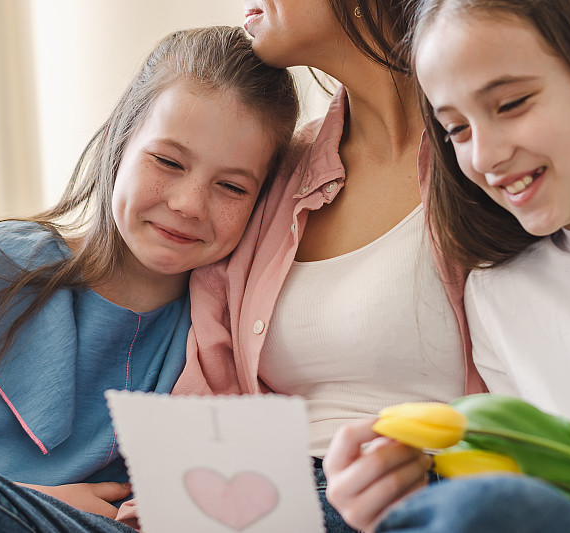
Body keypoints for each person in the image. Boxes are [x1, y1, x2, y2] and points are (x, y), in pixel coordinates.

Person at [0, 25, 299, 532]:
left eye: (231, 186)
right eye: (168, 161)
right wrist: (31, 499)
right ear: (119, 143)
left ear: (261, 202)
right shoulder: (5, 265)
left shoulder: (222, 334)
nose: (188, 204)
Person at [324, 0, 570, 531]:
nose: (485, 157)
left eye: (510, 104)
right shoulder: (500, 293)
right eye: (457, 130)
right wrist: (400, 497)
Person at [170, 1, 486, 531]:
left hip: (422, 493)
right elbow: (211, 377)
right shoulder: (269, 171)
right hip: (254, 501)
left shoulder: (489, 152)